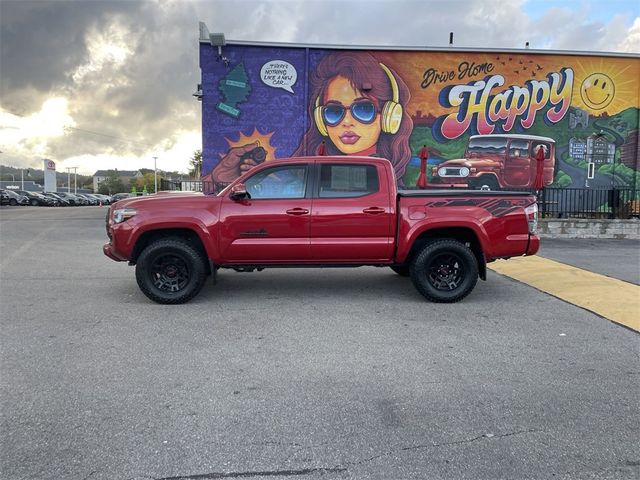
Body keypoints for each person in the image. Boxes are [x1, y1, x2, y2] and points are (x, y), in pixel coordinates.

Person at [206, 51, 413, 187]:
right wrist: (218, 180)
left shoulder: (383, 178)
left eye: (364, 109)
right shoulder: (306, 172)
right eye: (333, 111)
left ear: (389, 116)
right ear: (321, 121)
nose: (347, 122)